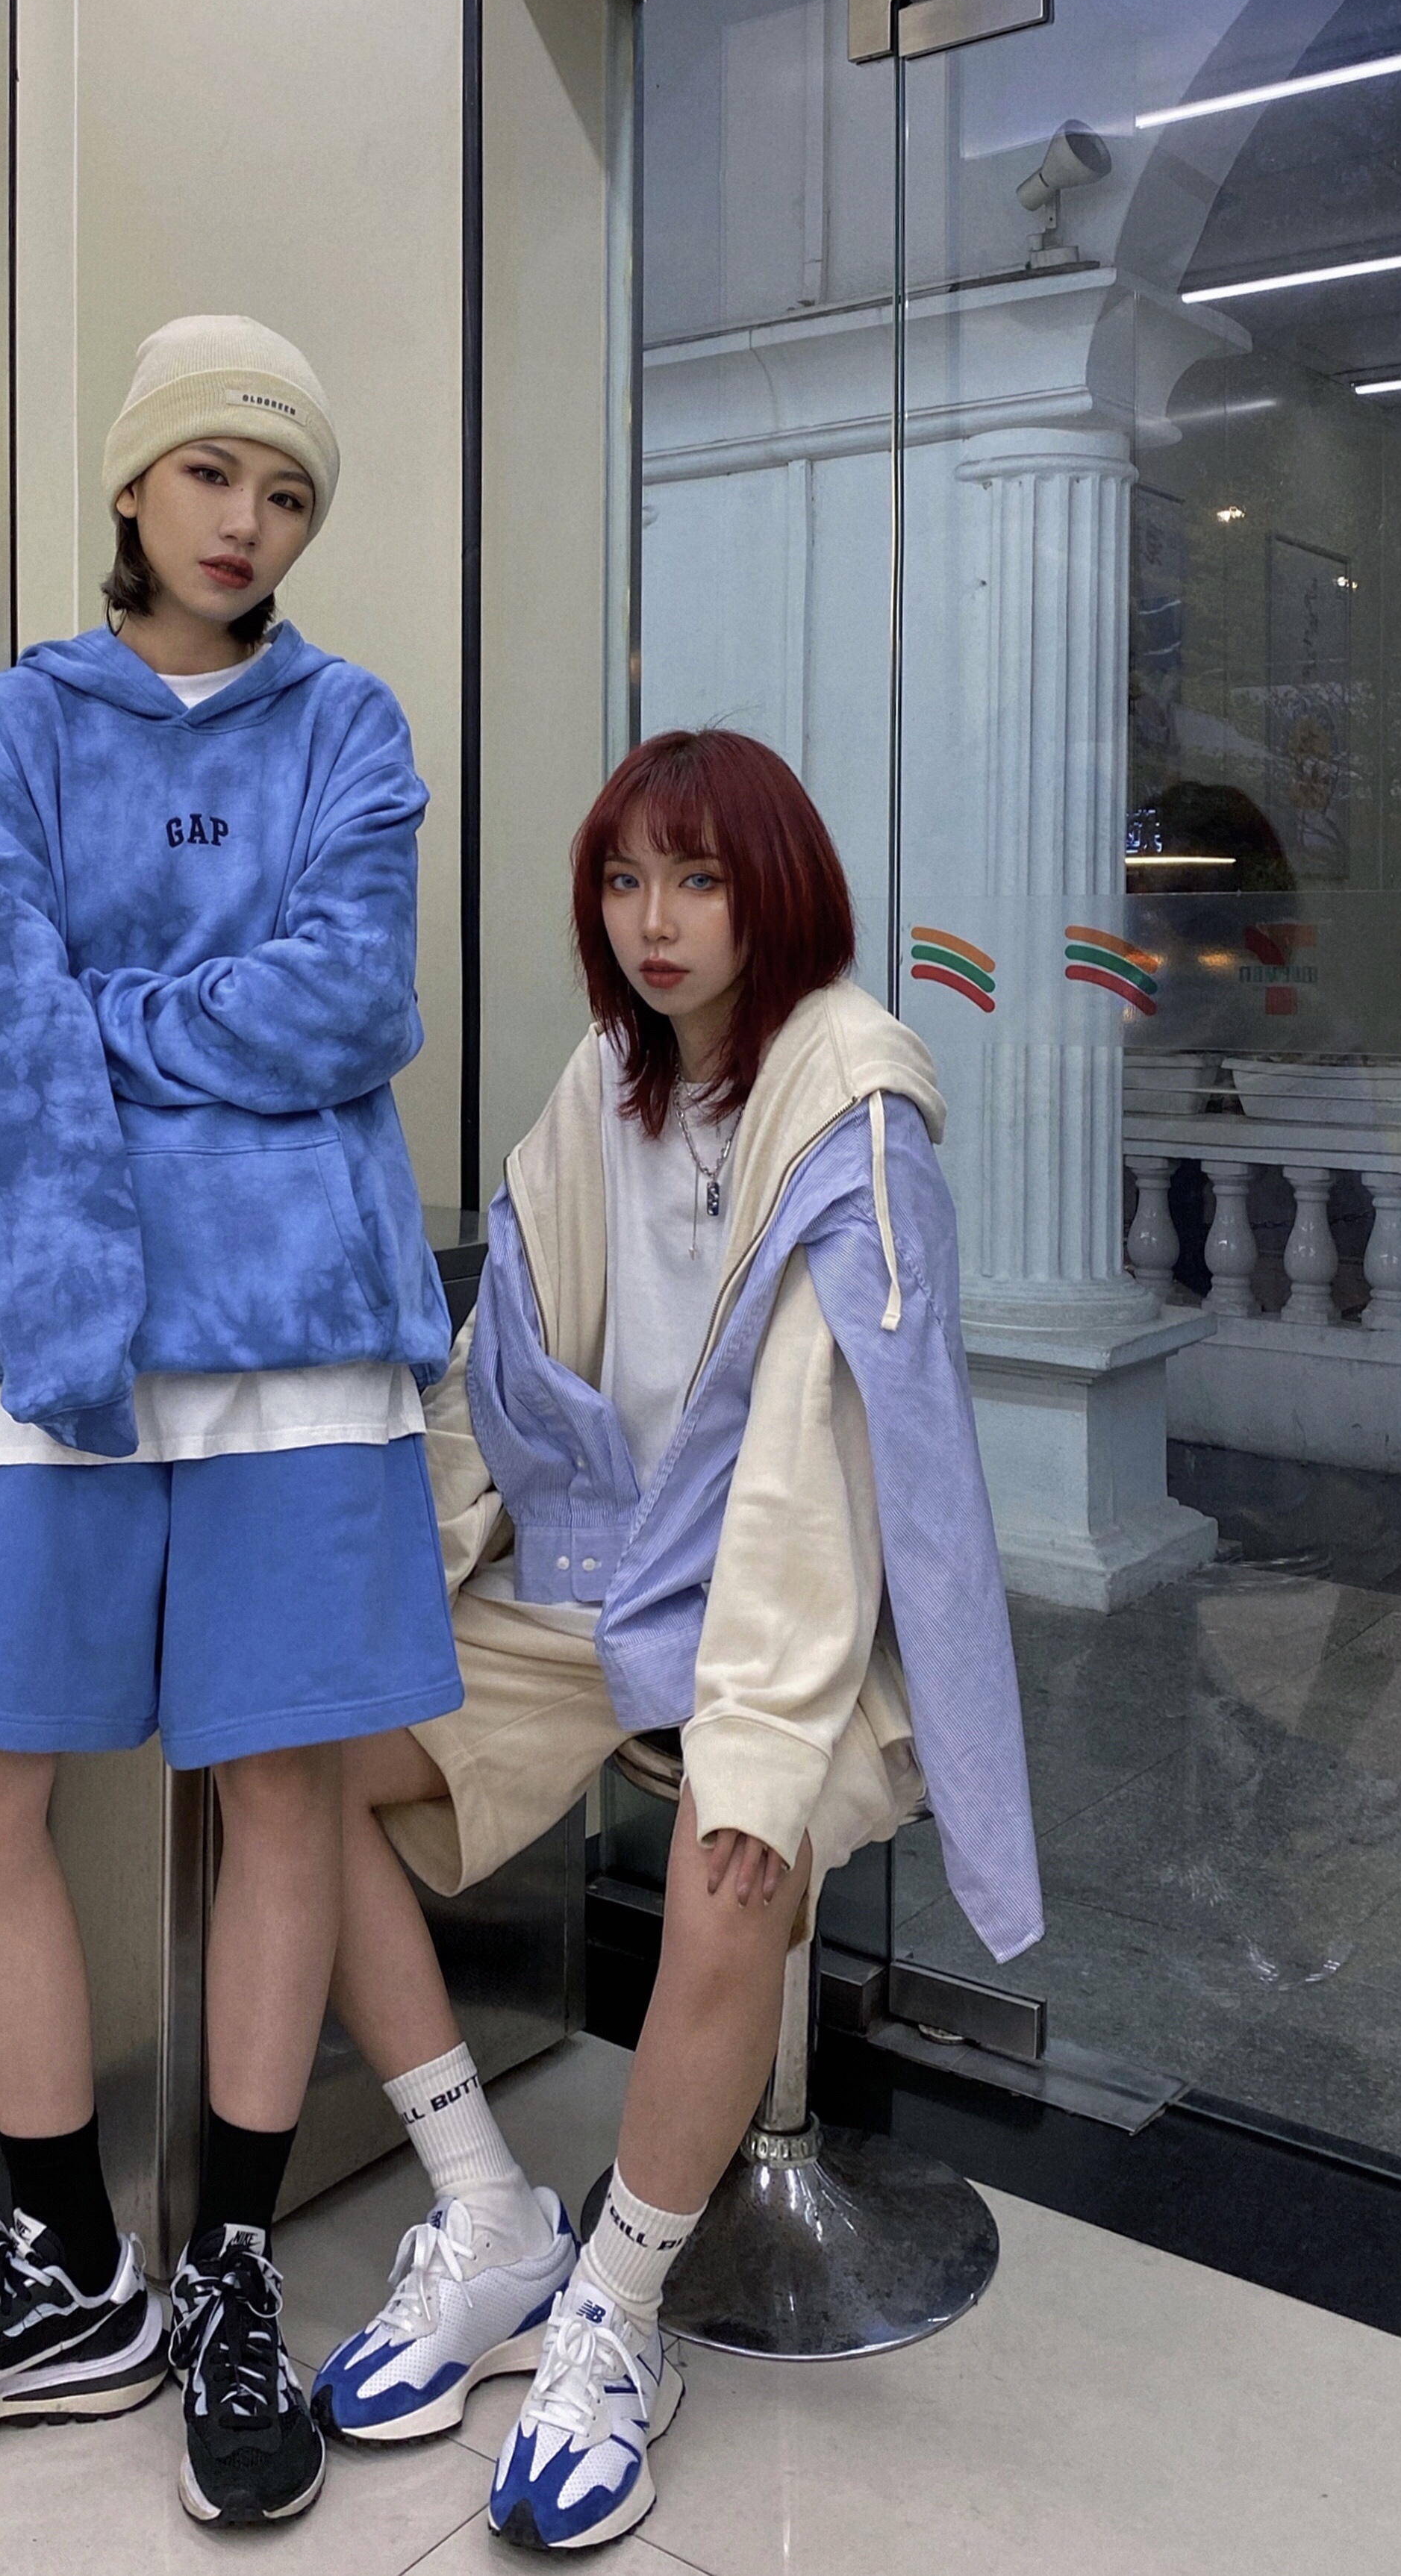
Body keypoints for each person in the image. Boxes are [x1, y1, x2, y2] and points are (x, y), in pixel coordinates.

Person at [0, 316, 461, 2528]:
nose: (245, 522)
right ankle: (72, 2264)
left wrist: (102, 1016)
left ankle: (228, 2273)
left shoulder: (348, 723)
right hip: (46, 1320)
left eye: (284, 495)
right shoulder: (14, 732)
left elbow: (351, 1001)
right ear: (128, 485)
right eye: (209, 475)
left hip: (300, 1333)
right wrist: (83, 1285)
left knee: (278, 1785)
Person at [311, 729, 1042, 2551]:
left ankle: (617, 2311)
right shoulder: (606, 1079)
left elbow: (819, 1472)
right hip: (606, 1584)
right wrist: (396, 1589)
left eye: (699, 879)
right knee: (294, 1761)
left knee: (732, 1863)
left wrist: (758, 1749)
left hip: (810, 1616)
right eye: (627, 880)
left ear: (773, 890)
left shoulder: (850, 1112)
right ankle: (491, 2213)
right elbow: (508, 1361)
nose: (656, 920)